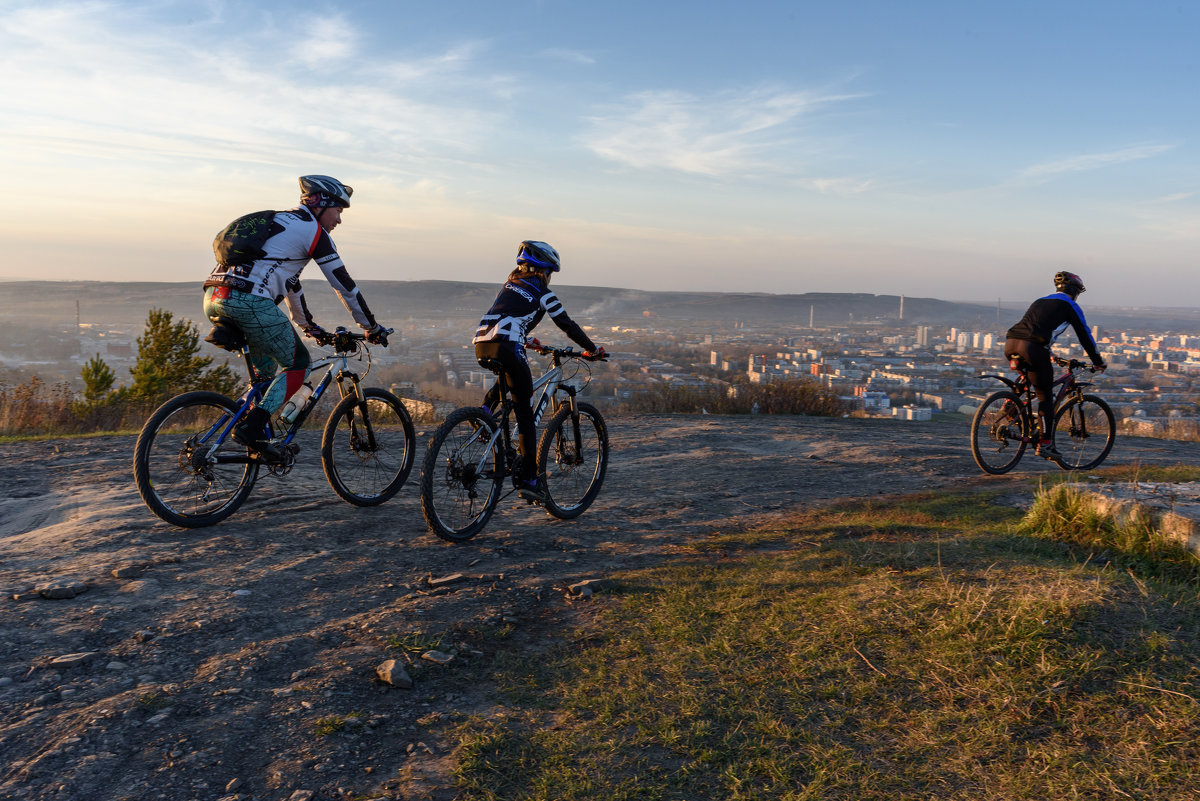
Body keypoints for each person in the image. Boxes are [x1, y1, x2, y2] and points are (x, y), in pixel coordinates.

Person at [203, 175, 390, 460]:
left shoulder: (281, 224)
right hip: (250, 303)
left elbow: (290, 283)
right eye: (338, 210)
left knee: (265, 377)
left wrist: (308, 327)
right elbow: (342, 283)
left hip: (214, 297)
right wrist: (370, 326)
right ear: (322, 205)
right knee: (299, 365)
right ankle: (251, 428)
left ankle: (258, 439)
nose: (339, 219)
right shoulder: (313, 232)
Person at [473, 240, 606, 501]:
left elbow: (509, 315)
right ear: (545, 271)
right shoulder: (544, 293)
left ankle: (483, 414)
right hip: (508, 345)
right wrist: (592, 349)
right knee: (525, 411)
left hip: (481, 344)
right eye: (551, 273)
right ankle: (531, 481)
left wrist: (525, 339)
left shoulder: (510, 283)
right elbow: (566, 324)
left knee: (511, 382)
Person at [1004, 270, 1106, 458]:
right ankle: (1046, 445)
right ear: (1075, 291)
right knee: (1045, 397)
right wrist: (1098, 361)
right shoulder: (1070, 305)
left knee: (1030, 376)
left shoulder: (1040, 301)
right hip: (1033, 347)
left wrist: (1049, 352)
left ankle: (1011, 403)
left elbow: (1034, 327)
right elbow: (1085, 335)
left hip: (1011, 343)